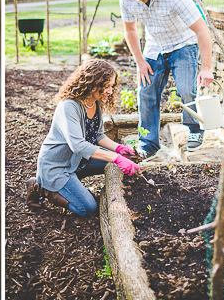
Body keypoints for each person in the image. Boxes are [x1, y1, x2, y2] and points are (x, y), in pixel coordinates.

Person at [118, 0, 214, 156]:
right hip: (155, 46)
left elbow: (202, 30)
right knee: (146, 92)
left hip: (183, 44)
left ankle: (195, 129)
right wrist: (140, 62)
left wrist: (206, 67)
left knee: (187, 90)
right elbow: (130, 30)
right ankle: (148, 143)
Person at [25, 59, 141, 217]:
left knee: (119, 161)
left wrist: (120, 150)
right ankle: (43, 188)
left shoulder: (96, 102)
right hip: (57, 167)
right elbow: (78, 146)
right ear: (92, 83)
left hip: (78, 161)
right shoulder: (69, 106)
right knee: (88, 208)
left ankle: (64, 185)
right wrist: (116, 158)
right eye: (106, 86)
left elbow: (98, 135)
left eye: (112, 86)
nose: (110, 91)